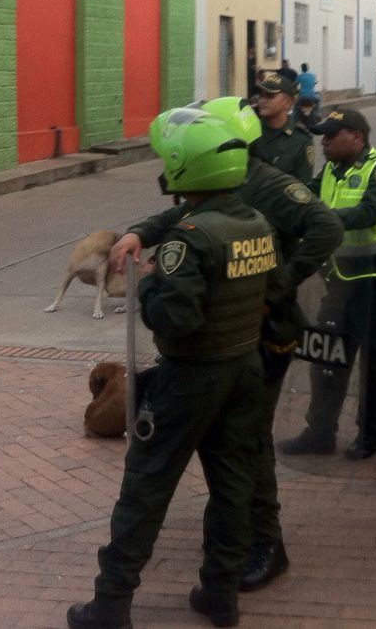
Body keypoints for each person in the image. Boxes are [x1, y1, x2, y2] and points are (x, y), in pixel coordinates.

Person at [108, 97, 345, 595]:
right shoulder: (230, 182)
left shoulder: (271, 185)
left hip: (261, 335)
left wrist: (278, 284)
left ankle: (266, 545)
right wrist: (137, 232)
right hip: (230, 337)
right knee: (235, 452)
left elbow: (328, 227)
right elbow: (186, 212)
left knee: (249, 449)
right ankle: (232, 548)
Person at [68, 107, 278, 629]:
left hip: (192, 378)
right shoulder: (253, 221)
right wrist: (145, 235)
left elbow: (175, 318)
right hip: (244, 369)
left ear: (187, 169)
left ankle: (111, 604)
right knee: (232, 486)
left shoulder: (189, 240)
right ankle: (220, 594)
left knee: (146, 485)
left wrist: (154, 279)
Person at [279, 107, 376, 460]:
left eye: (332, 136)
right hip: (340, 279)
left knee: (375, 362)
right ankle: (320, 432)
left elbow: (369, 212)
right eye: (323, 136)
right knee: (326, 357)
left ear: (358, 137)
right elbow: (306, 195)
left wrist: (320, 220)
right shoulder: (331, 171)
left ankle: (371, 434)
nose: (324, 142)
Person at [254, 71, 316, 181]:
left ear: (287, 102)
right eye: (261, 96)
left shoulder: (301, 141)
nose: (262, 101)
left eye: (270, 96)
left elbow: (304, 188)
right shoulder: (250, 131)